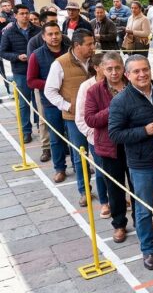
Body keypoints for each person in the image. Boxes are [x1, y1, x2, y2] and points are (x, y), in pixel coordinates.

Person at [108, 54, 153, 270]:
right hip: (141, 164)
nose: (142, 74)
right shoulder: (120, 101)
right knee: (144, 209)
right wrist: (143, 131)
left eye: (145, 69)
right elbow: (115, 134)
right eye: (136, 71)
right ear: (127, 75)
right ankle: (148, 250)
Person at [84, 51, 134, 243]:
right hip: (109, 147)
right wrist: (114, 107)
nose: (114, 72)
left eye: (117, 68)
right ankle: (119, 224)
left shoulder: (133, 86)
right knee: (115, 188)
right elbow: (90, 119)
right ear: (102, 70)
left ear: (123, 68)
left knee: (138, 186)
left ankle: (141, 220)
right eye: (109, 69)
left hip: (133, 144)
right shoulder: (94, 91)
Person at [44, 29, 96, 206]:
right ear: (76, 46)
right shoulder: (60, 63)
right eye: (89, 44)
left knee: (103, 154)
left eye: (93, 43)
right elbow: (49, 91)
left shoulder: (96, 60)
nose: (92, 47)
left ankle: (110, 193)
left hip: (97, 115)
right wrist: (68, 106)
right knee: (80, 154)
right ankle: (84, 190)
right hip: (73, 117)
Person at [28, 21, 70, 177]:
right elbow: (31, 81)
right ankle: (60, 168)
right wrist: (52, 84)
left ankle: (81, 165)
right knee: (56, 137)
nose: (54, 37)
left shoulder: (70, 50)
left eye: (57, 33)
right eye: (50, 34)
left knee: (75, 136)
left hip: (71, 101)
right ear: (44, 37)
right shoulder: (36, 55)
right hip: (51, 103)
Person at [75, 52, 110, 218]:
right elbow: (81, 117)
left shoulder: (118, 83)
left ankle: (119, 198)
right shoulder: (86, 87)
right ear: (97, 68)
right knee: (102, 172)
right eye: (107, 66)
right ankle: (104, 202)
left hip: (118, 137)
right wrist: (93, 134)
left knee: (121, 172)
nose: (112, 70)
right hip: (97, 139)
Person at [0, 5, 40, 143]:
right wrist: (17, 57)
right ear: (15, 15)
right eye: (22, 13)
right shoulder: (9, 32)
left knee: (39, 101)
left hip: (38, 71)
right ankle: (26, 131)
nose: (25, 16)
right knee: (23, 103)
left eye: (26, 13)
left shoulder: (38, 30)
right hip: (20, 72)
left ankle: (40, 126)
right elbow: (3, 51)